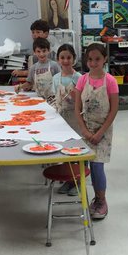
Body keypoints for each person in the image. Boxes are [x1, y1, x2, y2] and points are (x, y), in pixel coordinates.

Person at [73, 42, 118, 220]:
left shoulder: (111, 81)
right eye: (90, 59)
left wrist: (99, 133)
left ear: (105, 59)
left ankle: (101, 200)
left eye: (97, 59)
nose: (93, 63)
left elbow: (114, 109)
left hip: (103, 131)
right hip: (84, 130)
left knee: (97, 166)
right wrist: (84, 130)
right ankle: (83, 198)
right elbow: (77, 108)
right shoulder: (82, 80)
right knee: (81, 165)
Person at [53, 44, 83, 196]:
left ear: (74, 59)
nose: (65, 61)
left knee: (75, 149)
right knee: (64, 149)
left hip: (75, 117)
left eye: (68, 58)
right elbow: (54, 98)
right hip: (61, 117)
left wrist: (74, 97)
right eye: (62, 58)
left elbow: (84, 101)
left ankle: (77, 180)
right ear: (58, 60)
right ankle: (68, 178)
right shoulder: (55, 78)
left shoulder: (78, 78)